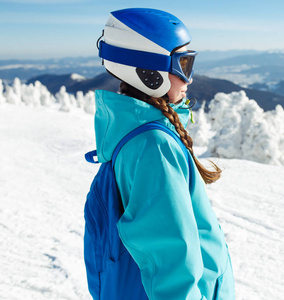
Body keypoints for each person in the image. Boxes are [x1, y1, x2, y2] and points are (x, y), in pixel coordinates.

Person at [89, 8, 234, 300]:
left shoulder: (139, 133)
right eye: (184, 65)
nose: (189, 79)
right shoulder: (153, 147)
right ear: (149, 74)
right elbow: (172, 264)